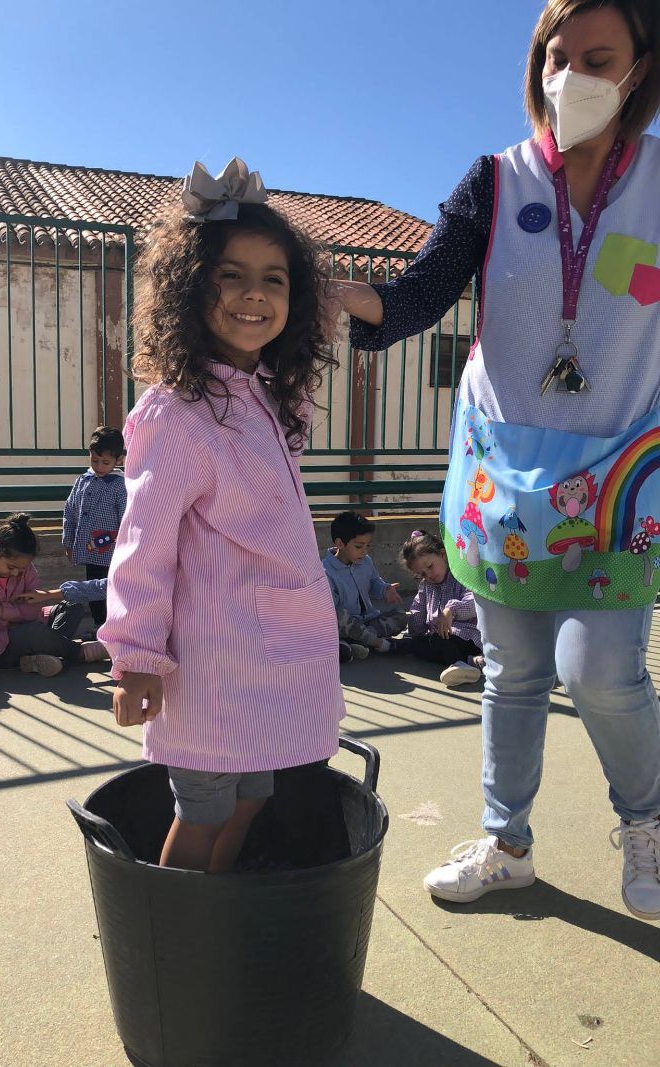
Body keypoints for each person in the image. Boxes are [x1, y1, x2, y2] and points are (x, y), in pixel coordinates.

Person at [332, 0, 660, 919]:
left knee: (600, 671)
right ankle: (507, 843)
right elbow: (420, 293)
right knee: (511, 674)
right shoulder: (495, 179)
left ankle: (648, 824)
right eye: (556, 56)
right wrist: (346, 299)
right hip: (503, 472)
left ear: (638, 71)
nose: (571, 77)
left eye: (598, 58)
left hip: (620, 474)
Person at [98, 157, 345, 873]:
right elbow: (144, 543)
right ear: (188, 288)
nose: (254, 294)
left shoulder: (267, 393)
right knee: (203, 808)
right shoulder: (179, 412)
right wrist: (136, 658)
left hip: (274, 651)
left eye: (275, 279)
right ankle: (178, 918)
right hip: (213, 660)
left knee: (252, 796)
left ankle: (220, 905)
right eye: (229, 275)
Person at [0, 513, 108, 677]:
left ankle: (41, 657)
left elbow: (32, 611)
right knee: (32, 632)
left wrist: (0, 611)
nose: (16, 573)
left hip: (30, 628)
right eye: (11, 567)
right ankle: (81, 653)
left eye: (22, 569)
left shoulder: (27, 570)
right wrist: (17, 619)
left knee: (73, 607)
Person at [394, 529, 484, 688]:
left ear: (442, 555)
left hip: (468, 637)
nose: (428, 575)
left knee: (438, 640)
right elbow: (418, 610)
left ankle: (459, 664)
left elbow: (474, 602)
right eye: (422, 574)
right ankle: (471, 662)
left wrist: (451, 610)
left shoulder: (460, 576)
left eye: (430, 566)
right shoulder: (426, 585)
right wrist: (415, 631)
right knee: (419, 645)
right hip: (442, 638)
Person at [62, 426, 126, 628]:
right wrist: (69, 542)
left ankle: (113, 629)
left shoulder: (120, 485)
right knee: (92, 591)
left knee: (112, 592)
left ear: (119, 460)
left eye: (105, 462)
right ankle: (99, 628)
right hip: (90, 552)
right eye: (94, 460)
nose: (99, 466)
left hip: (112, 554)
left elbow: (126, 519)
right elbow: (70, 511)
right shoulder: (82, 481)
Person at [322, 510, 404, 659]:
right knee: (338, 617)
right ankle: (374, 642)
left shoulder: (366, 561)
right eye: (359, 546)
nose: (364, 551)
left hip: (368, 621)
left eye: (367, 546)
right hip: (347, 623)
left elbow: (374, 582)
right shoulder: (326, 571)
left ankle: (357, 642)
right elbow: (331, 611)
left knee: (400, 615)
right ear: (340, 543)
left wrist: (385, 589)